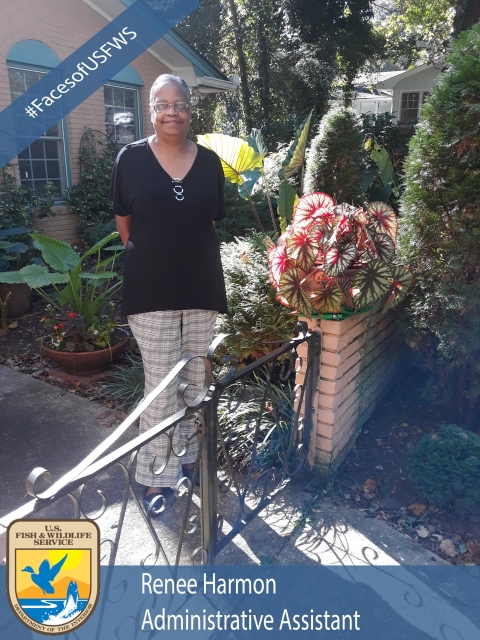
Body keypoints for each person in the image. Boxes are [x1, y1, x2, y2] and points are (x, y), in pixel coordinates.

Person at [109, 74, 227, 515]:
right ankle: (156, 476)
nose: (172, 111)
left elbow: (209, 219)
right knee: (160, 386)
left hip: (200, 286)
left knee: (196, 379)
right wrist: (154, 258)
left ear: (190, 110)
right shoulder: (131, 160)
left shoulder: (210, 163)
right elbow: (125, 223)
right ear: (151, 110)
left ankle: (187, 461)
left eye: (180, 104)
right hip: (151, 290)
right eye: (163, 104)